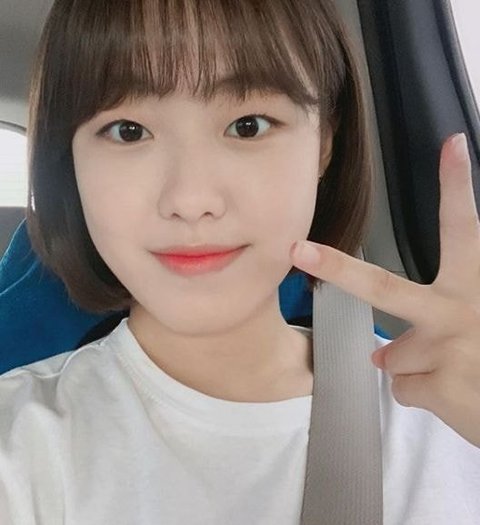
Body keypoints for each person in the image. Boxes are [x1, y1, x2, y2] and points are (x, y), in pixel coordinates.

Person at [0, 1, 479, 524]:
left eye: (248, 126)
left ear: (325, 143)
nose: (190, 199)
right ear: (69, 162)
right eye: (128, 131)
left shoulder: (450, 413)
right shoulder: (18, 444)